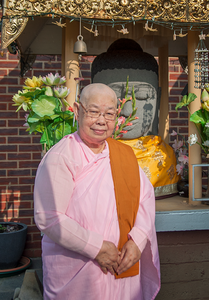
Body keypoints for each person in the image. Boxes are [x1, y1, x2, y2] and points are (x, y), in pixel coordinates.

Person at [34, 83, 160, 300]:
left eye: (109, 114)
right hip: (79, 272)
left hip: (123, 266)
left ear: (117, 116)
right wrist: (96, 247)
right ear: (77, 110)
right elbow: (50, 217)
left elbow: (145, 197)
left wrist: (138, 241)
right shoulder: (61, 157)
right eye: (93, 112)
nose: (101, 120)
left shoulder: (124, 155)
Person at [92, 38, 180, 199]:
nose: (126, 111)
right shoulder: (90, 156)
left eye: (141, 96)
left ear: (158, 98)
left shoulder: (164, 158)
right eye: (116, 98)